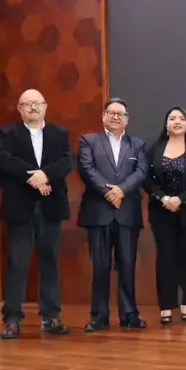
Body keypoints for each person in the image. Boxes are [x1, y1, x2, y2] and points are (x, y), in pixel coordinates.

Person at [0, 89, 73, 339]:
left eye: (37, 103)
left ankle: (51, 316)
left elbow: (67, 161)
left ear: (45, 106)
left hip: (51, 207)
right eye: (27, 104)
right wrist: (34, 177)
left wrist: (46, 175)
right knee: (17, 263)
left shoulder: (59, 133)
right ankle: (12, 319)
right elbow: (3, 159)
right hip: (20, 208)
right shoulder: (8, 133)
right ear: (19, 108)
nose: (33, 108)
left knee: (49, 261)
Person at [76, 98, 149, 331]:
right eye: (111, 113)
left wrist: (121, 190)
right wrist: (109, 192)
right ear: (103, 116)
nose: (116, 117)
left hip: (127, 213)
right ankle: (99, 316)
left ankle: (129, 314)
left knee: (127, 265)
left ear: (127, 119)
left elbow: (141, 171)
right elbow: (86, 169)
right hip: (98, 212)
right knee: (100, 266)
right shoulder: (89, 141)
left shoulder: (137, 144)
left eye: (120, 114)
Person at [144, 107, 186, 325]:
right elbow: (146, 179)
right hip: (161, 211)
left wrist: (181, 199)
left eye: (181, 118)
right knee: (165, 257)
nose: (177, 121)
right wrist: (163, 198)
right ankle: (166, 306)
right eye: (172, 118)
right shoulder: (154, 149)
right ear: (166, 124)